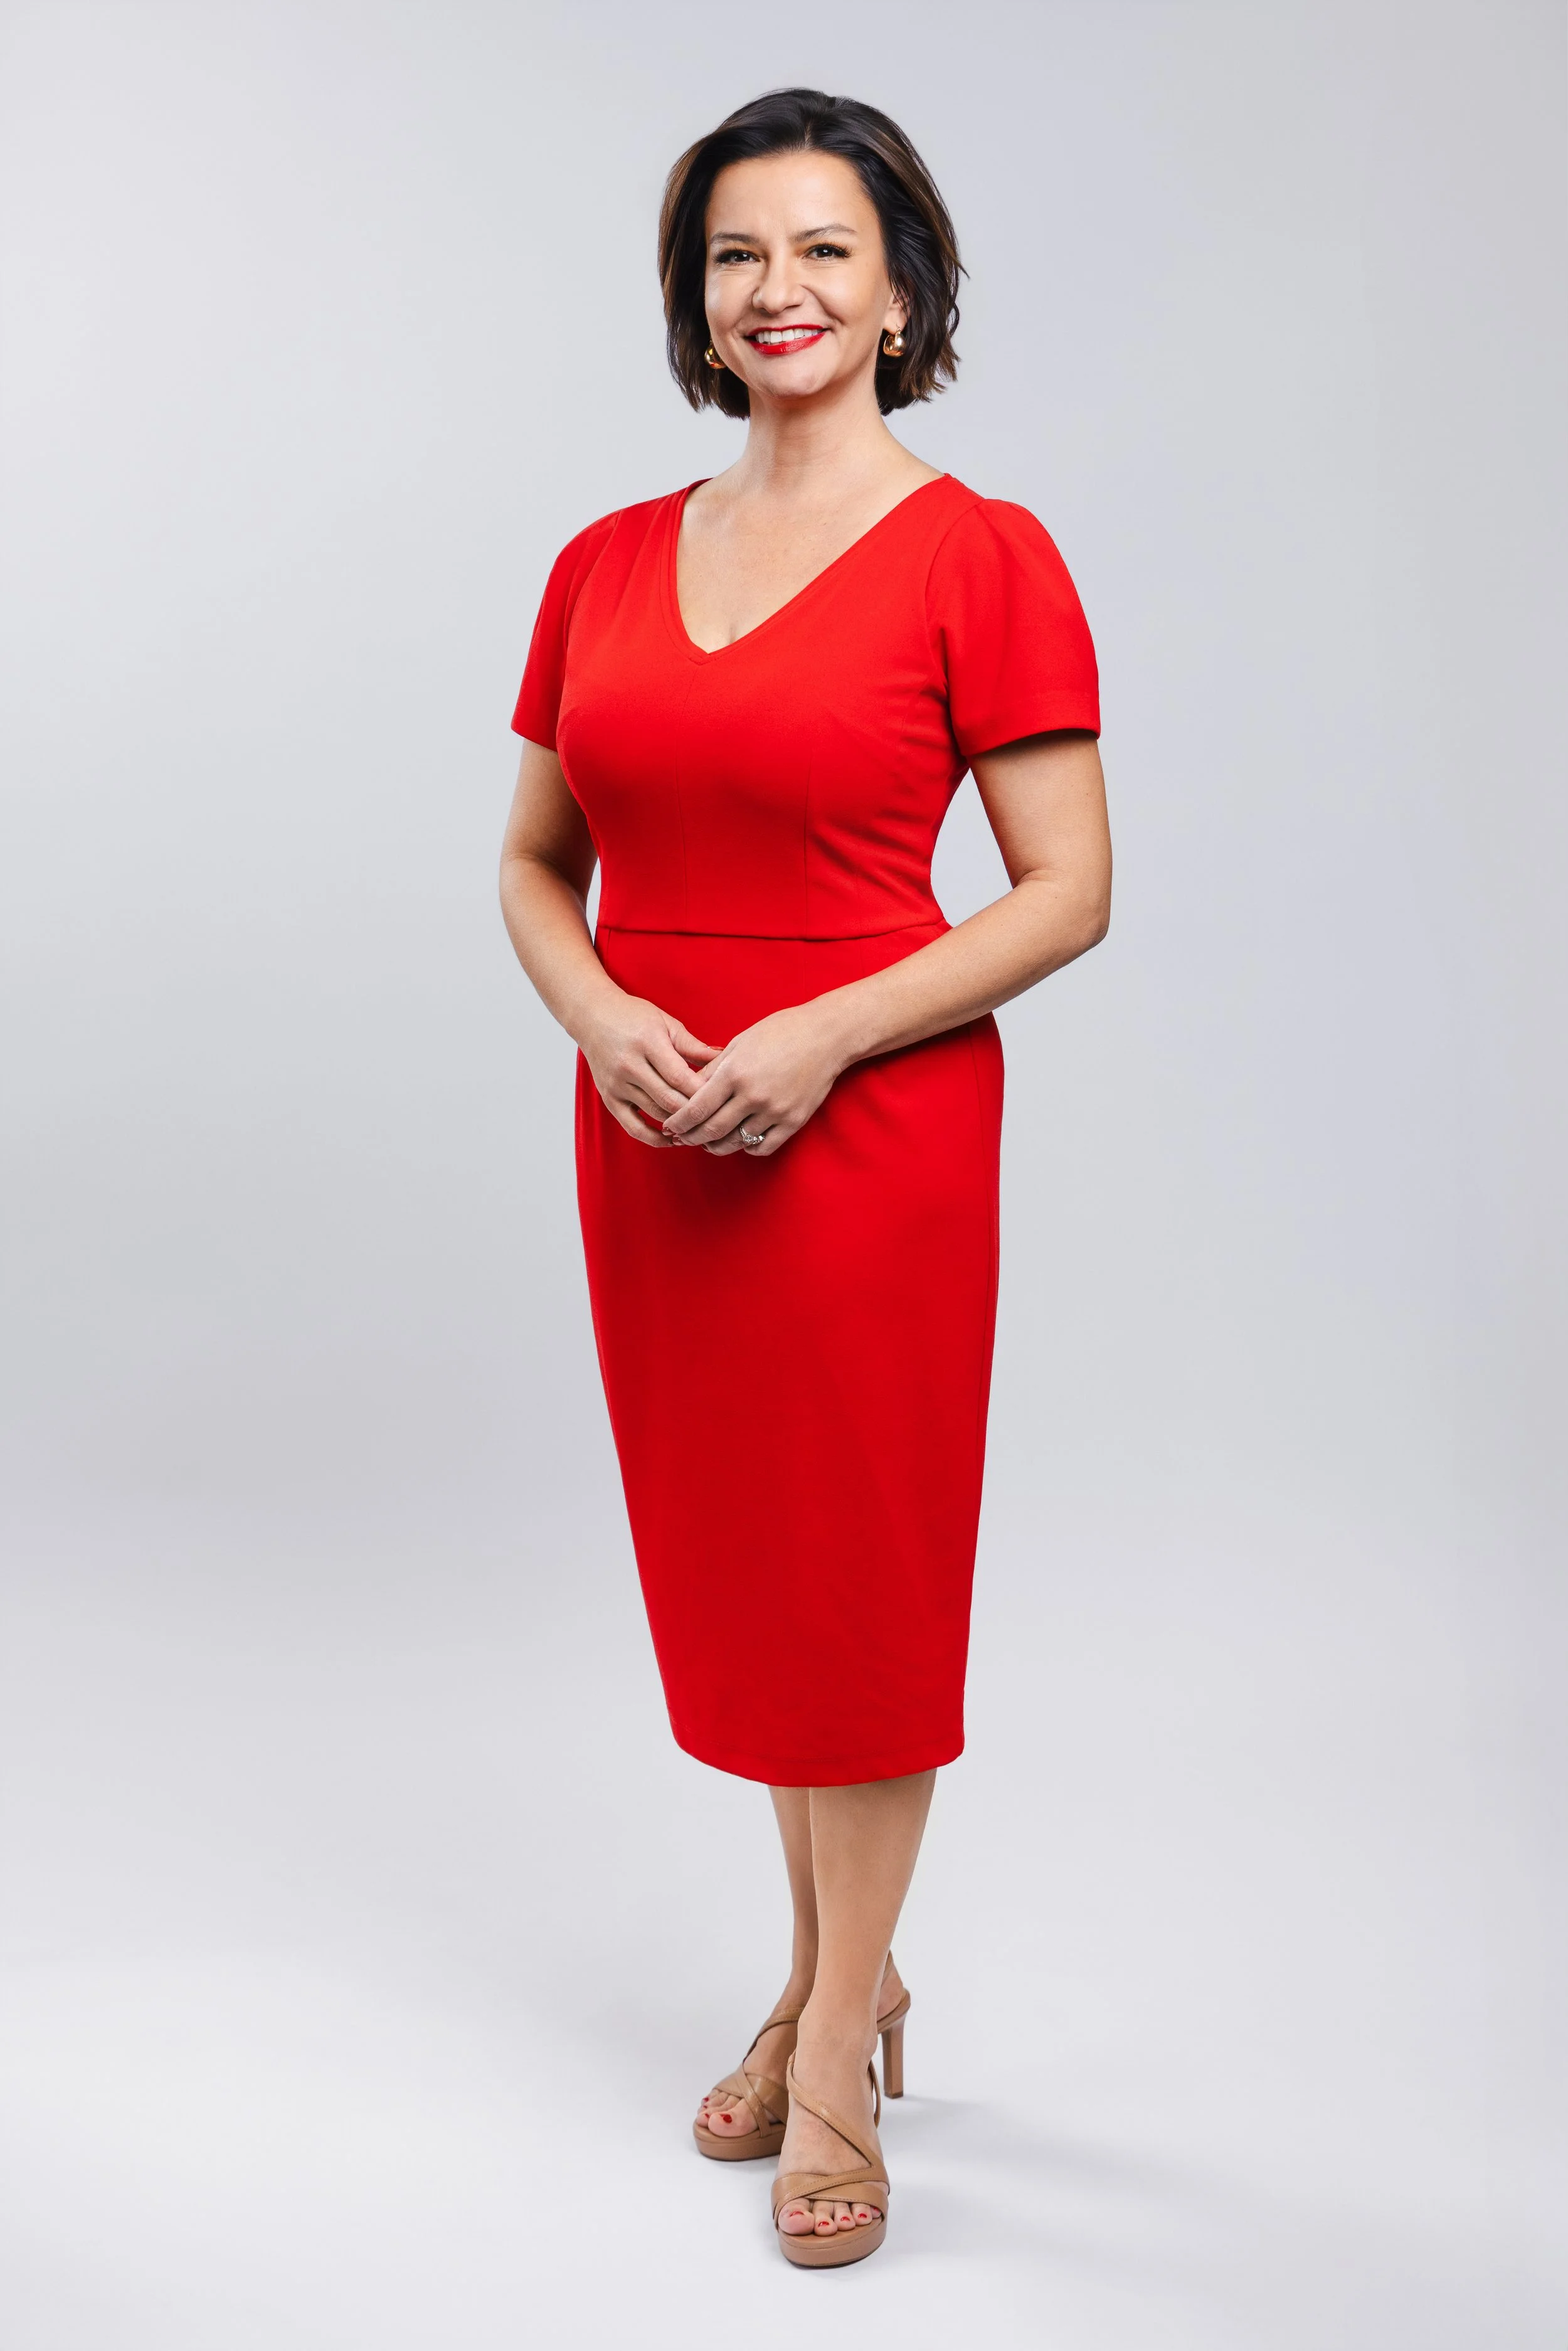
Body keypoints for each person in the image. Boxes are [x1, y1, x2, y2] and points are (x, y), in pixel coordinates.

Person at [498, 86, 1111, 2268]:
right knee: (760, 1588)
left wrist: (819, 1031)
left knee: (853, 1595)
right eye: (737, 255)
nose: (779, 291)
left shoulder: (982, 552)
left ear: (904, 285)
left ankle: (836, 2041)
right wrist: (603, 1021)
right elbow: (534, 863)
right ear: (694, 295)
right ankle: (832, 1971)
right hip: (654, 1138)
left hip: (865, 1139)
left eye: (825, 251)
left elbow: (1065, 892)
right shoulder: (599, 559)